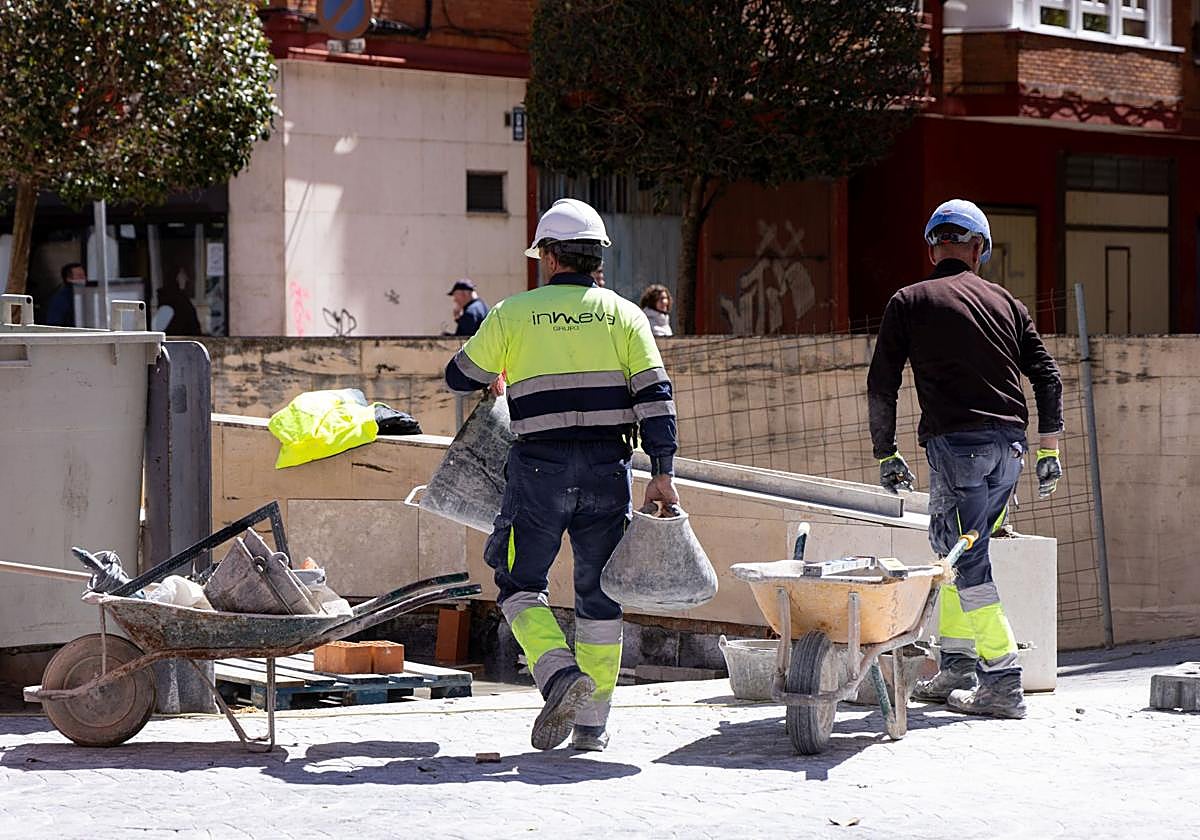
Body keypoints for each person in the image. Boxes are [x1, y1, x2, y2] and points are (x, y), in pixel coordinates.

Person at [445, 198, 680, 752]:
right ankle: (592, 727)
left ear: (549, 258)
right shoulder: (626, 315)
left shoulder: (510, 313)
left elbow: (459, 377)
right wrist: (663, 472)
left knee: (517, 585)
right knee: (601, 595)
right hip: (608, 471)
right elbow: (656, 397)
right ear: (596, 256)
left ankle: (557, 676)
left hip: (539, 472)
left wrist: (496, 361)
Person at [866, 199, 1063, 719]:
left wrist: (886, 452)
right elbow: (1048, 377)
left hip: (958, 451)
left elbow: (881, 385)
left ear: (933, 247)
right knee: (957, 554)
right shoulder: (1006, 303)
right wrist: (1049, 450)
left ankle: (1001, 679)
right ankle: (957, 667)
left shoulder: (908, 300)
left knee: (964, 558)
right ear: (979, 249)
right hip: (1010, 453)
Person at [156, 269, 203, 336]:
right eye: (183, 275)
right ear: (176, 278)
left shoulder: (180, 298)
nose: (186, 279)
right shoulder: (172, 300)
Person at [44, 262, 87, 327]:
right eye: (79, 276)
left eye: (84, 275)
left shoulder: (85, 295)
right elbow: (55, 323)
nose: (84, 278)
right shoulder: (62, 297)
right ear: (68, 279)